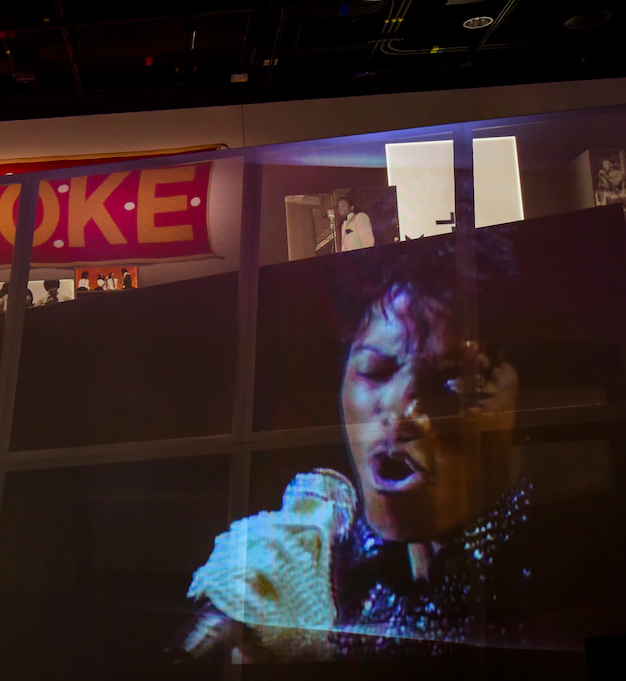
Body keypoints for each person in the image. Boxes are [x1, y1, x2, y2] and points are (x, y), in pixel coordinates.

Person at [186, 236, 541, 659]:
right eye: (374, 370)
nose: (401, 413)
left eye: (456, 381)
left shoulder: (565, 575)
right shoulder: (330, 571)